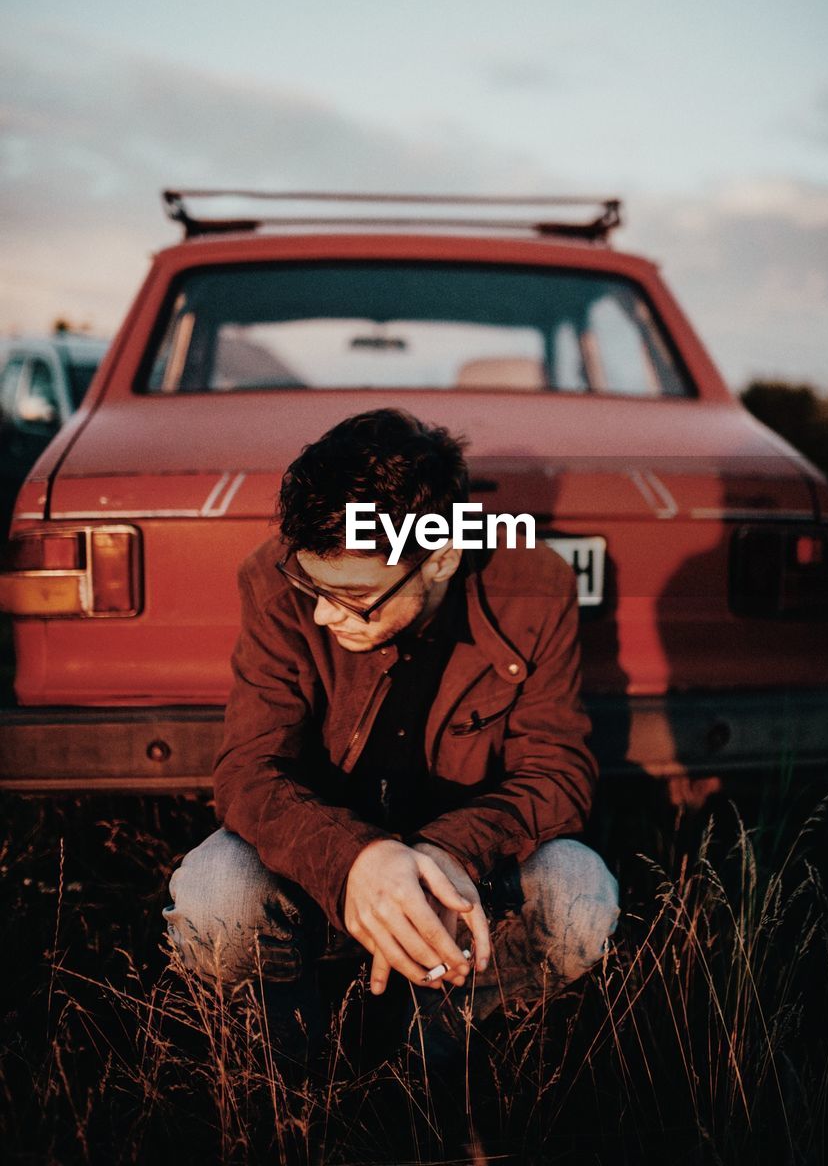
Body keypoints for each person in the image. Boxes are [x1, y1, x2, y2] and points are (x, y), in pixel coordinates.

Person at [164, 408, 619, 1052]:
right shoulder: (273, 578)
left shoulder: (536, 585)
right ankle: (292, 1069)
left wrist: (446, 854)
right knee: (214, 891)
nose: (323, 613)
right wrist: (358, 860)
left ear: (439, 557)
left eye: (352, 596)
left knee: (582, 895)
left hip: (459, 884)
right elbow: (248, 772)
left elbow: (558, 773)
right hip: (318, 873)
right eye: (311, 584)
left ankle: (427, 1040)